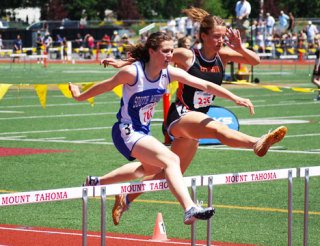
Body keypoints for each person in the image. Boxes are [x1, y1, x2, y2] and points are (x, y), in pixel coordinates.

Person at [93, 7, 288, 226]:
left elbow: (255, 62)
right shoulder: (188, 55)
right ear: (202, 36)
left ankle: (125, 198)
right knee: (218, 130)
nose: (220, 40)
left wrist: (240, 47)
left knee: (168, 173)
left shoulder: (223, 55)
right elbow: (154, 57)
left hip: (197, 122)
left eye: (223, 36)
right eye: (216, 36)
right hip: (181, 116)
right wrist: (124, 64)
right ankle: (257, 142)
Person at [69, 31, 228, 225]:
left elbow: (204, 84)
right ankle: (189, 208)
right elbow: (105, 86)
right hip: (126, 130)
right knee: (171, 159)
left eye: (171, 51)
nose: (170, 55)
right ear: (152, 52)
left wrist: (236, 98)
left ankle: (97, 182)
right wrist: (79, 96)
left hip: (143, 132)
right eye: (165, 51)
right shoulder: (133, 72)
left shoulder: (169, 73)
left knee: (147, 168)